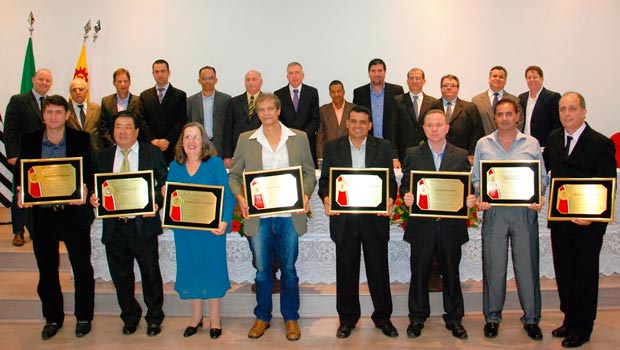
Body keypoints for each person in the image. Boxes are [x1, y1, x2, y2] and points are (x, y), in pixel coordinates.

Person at [229, 93, 316, 341]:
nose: (266, 113)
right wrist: (240, 197)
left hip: (289, 215)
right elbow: (235, 175)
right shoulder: (246, 140)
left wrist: (306, 194)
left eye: (270, 109)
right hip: (259, 217)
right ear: (257, 114)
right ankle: (262, 317)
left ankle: (290, 318)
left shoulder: (298, 138)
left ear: (279, 111)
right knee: (262, 270)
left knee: (288, 269)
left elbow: (309, 173)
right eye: (261, 110)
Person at [14, 95, 95, 339]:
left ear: (67, 115)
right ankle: (52, 318)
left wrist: (86, 189)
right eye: (49, 112)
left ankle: (83, 317)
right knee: (47, 270)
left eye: (59, 112)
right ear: (43, 115)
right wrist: (20, 190)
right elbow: (21, 172)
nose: (53, 117)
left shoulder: (81, 139)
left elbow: (90, 171)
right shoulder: (29, 141)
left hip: (73, 214)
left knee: (81, 267)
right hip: (43, 216)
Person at [543, 92, 616, 348]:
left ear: (584, 112)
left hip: (587, 225)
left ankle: (583, 328)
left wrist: (594, 219)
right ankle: (569, 319)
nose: (567, 114)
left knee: (584, 276)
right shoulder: (553, 139)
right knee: (564, 273)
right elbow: (545, 174)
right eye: (563, 109)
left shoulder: (601, 143)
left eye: (572, 109)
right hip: (561, 222)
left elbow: (608, 186)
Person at [318, 105, 398, 339]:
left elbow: (390, 182)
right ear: (347, 123)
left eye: (363, 122)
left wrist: (390, 199)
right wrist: (326, 197)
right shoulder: (333, 147)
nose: (357, 126)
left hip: (374, 219)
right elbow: (325, 181)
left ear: (370, 125)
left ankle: (383, 318)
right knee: (346, 272)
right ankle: (347, 320)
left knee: (379, 271)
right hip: (345, 219)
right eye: (353, 121)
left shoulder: (382, 147)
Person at [472, 98, 548, 341]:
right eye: (500, 114)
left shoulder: (532, 143)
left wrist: (540, 196)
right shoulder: (484, 143)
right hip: (494, 213)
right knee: (494, 267)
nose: (504, 118)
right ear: (495, 118)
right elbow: (476, 178)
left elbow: (542, 177)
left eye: (509, 114)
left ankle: (532, 319)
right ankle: (492, 318)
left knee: (527, 266)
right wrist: (480, 195)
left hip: (524, 212)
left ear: (518, 116)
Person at [399, 109, 475, 340]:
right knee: (419, 273)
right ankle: (417, 317)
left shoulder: (461, 154)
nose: (434, 129)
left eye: (439, 125)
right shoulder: (413, 153)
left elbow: (466, 187)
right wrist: (407, 196)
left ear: (447, 127)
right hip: (422, 226)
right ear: (423, 129)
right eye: (429, 125)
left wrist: (469, 199)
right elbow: (405, 185)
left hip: (450, 226)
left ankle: (454, 318)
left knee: (451, 273)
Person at [89, 110, 167, 337]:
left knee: (150, 273)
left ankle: (154, 317)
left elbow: (162, 183)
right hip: (115, 227)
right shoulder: (103, 156)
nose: (122, 132)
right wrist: (94, 196)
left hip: (142, 224)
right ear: (113, 131)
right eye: (118, 127)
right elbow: (98, 186)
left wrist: (156, 202)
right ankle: (130, 316)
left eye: (127, 127)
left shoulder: (151, 153)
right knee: (121, 276)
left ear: (136, 131)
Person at [166, 122, 235, 338]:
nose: (192, 141)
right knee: (192, 269)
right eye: (188, 137)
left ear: (203, 141)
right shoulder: (175, 166)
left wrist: (224, 220)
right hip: (185, 232)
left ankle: (215, 318)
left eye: (196, 137)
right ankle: (196, 317)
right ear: (182, 142)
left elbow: (228, 193)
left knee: (212, 269)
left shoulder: (214, 163)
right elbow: (171, 197)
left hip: (212, 232)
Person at [4, 68, 51, 246]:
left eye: (47, 81)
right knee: (20, 194)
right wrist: (12, 154)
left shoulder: (49, 103)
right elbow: (10, 129)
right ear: (33, 80)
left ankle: (35, 229)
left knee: (38, 194)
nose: (44, 83)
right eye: (41, 79)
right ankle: (18, 232)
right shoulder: (19, 100)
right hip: (22, 156)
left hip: (43, 157)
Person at [353, 58, 403, 166]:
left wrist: (395, 155)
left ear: (385, 72)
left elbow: (399, 122)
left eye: (380, 71)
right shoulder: (359, 93)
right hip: (367, 146)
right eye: (373, 71)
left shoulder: (397, 91)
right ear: (369, 73)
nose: (377, 74)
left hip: (390, 146)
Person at [139, 59, 187, 163]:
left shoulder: (180, 95)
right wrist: (153, 140)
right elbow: (142, 120)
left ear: (168, 72)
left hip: (172, 147)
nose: (160, 74)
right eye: (157, 72)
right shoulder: (145, 96)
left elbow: (181, 120)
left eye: (163, 71)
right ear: (153, 74)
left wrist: (168, 140)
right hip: (150, 146)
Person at [275, 62, 320, 165]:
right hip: (285, 141)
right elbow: (278, 119)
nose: (294, 76)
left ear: (302, 75)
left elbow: (315, 118)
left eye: (297, 72)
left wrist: (303, 135)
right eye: (291, 73)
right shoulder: (278, 94)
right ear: (287, 76)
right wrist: (289, 134)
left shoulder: (312, 92)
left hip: (307, 140)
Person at [432, 74, 484, 162]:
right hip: (436, 154)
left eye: (452, 85)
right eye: (445, 85)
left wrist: (472, 153)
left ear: (457, 88)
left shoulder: (470, 107)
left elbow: (477, 132)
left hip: (463, 154)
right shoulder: (432, 106)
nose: (449, 88)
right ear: (441, 88)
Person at [393, 68, 438, 165]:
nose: (414, 81)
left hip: (427, 152)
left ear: (424, 81)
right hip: (403, 153)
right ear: (407, 81)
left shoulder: (433, 102)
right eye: (411, 78)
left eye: (417, 78)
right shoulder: (397, 101)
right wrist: (394, 157)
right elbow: (392, 130)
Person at [222, 69, 263, 168]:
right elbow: (228, 129)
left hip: (262, 149)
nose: (251, 82)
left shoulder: (268, 101)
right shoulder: (234, 102)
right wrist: (227, 155)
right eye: (248, 80)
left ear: (261, 82)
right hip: (239, 150)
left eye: (254, 79)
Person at [187, 66, 231, 155]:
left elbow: (229, 128)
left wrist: (228, 154)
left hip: (219, 146)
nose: (207, 81)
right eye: (204, 78)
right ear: (199, 81)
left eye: (210, 78)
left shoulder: (226, 100)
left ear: (215, 80)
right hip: (197, 146)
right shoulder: (190, 101)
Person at [518, 65, 562, 147]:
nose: (532, 80)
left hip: (544, 145)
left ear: (542, 78)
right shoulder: (521, 98)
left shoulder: (553, 97)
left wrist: (551, 144)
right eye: (529, 77)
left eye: (535, 77)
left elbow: (556, 124)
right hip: (523, 145)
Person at [471, 66, 523, 135]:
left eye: (501, 77)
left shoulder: (515, 100)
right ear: (489, 79)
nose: (497, 79)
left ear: (505, 81)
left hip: (508, 142)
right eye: (494, 76)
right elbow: (473, 125)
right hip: (484, 143)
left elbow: (519, 122)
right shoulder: (476, 101)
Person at [99, 68, 142, 148]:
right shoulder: (106, 101)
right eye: (119, 81)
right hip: (112, 147)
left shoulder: (139, 101)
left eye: (125, 81)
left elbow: (140, 125)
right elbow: (103, 127)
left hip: (134, 146)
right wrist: (114, 144)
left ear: (130, 82)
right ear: (114, 83)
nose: (122, 84)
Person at [316, 80, 354, 162]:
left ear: (343, 92)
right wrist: (320, 158)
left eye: (339, 91)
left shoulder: (353, 109)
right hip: (330, 154)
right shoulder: (323, 110)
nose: (336, 94)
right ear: (330, 94)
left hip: (350, 154)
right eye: (333, 92)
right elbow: (320, 137)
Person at [67, 78, 102, 152]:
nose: (77, 92)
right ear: (70, 92)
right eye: (74, 90)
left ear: (86, 91)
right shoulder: (65, 110)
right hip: (73, 153)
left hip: (94, 153)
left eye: (81, 89)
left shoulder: (97, 108)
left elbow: (101, 132)